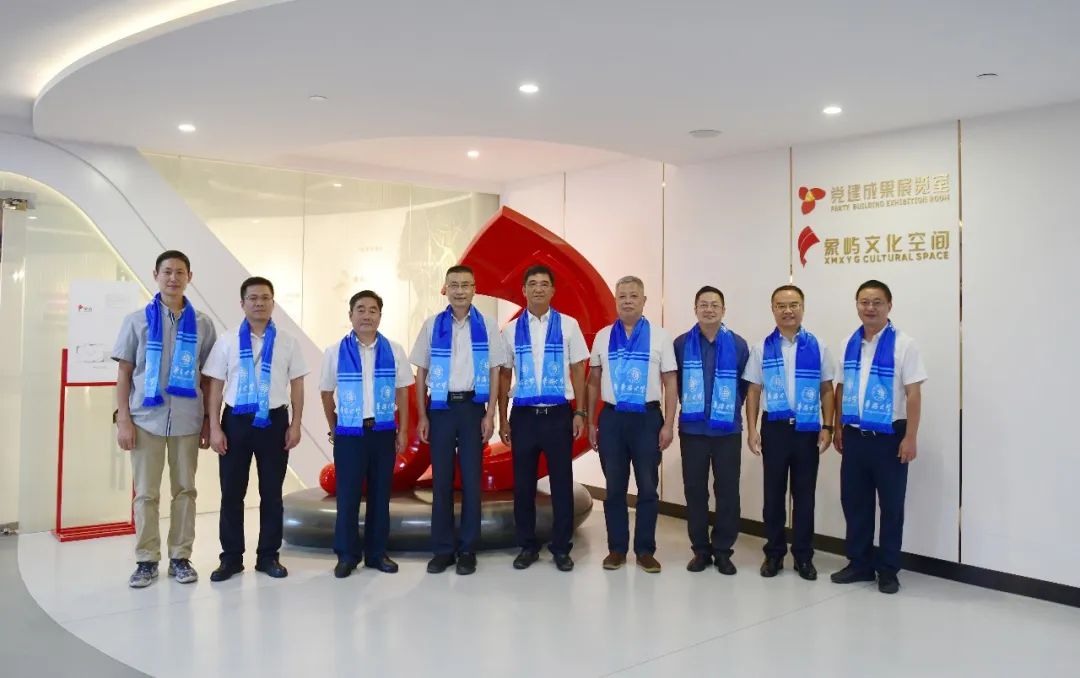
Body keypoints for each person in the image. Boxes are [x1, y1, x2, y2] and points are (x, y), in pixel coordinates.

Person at [112, 250, 217, 588]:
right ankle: (146, 559)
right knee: (146, 493)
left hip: (187, 419)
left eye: (180, 272)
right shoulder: (136, 321)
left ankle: (180, 557)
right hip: (145, 419)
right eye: (167, 271)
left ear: (189, 277)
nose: (173, 278)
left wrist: (208, 421)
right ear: (156, 275)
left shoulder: (203, 324)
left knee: (185, 490)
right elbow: (124, 373)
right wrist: (123, 420)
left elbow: (208, 378)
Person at [203, 276, 309, 581]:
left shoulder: (288, 341)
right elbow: (215, 385)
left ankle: (268, 556)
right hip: (235, 422)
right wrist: (214, 427)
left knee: (272, 493)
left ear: (273, 303)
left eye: (265, 298)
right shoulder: (227, 340)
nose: (259, 303)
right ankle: (231, 558)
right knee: (231, 493)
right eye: (253, 298)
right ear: (242, 303)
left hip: (274, 422)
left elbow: (297, 385)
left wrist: (296, 424)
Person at [831, 280, 927, 594]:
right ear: (857, 305)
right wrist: (838, 427)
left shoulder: (905, 344)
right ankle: (859, 564)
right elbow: (841, 388)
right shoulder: (848, 343)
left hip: (890, 437)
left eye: (877, 302)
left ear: (889, 306)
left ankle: (888, 570)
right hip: (855, 435)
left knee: (891, 505)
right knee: (854, 502)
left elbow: (914, 394)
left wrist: (910, 437)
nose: (870, 308)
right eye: (864, 302)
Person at [411, 266, 507, 575]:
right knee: (441, 481)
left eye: (466, 285)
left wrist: (490, 413)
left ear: (474, 288)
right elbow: (421, 372)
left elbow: (495, 370)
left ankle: (467, 549)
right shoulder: (431, 325)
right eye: (454, 285)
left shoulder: (487, 325)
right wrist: (422, 415)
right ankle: (442, 550)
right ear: (446, 289)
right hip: (440, 409)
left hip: (472, 408)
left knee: (471, 480)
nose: (460, 290)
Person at [497, 264, 589, 572]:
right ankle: (527, 545)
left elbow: (578, 370)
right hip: (523, 416)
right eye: (532, 284)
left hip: (558, 415)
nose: (538, 288)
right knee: (523, 484)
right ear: (523, 290)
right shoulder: (510, 330)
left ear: (553, 290)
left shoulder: (569, 326)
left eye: (544, 284)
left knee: (561, 483)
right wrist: (503, 419)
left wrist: (580, 411)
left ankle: (561, 548)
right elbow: (504, 375)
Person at [586, 276, 677, 573]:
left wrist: (668, 424)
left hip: (647, 419)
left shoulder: (660, 337)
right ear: (616, 301)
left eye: (633, 295)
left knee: (648, 487)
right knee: (614, 487)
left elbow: (670, 383)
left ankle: (645, 550)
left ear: (644, 300)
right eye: (622, 296)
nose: (627, 301)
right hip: (612, 419)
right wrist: (590, 421)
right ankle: (616, 549)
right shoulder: (602, 337)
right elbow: (593, 381)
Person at [744, 285, 835, 581]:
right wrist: (752, 429)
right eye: (781, 305)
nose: (788, 310)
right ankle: (774, 554)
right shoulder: (762, 347)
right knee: (773, 496)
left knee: (804, 496)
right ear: (773, 309)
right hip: (775, 428)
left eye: (793, 304)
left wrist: (828, 426)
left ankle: (804, 556)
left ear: (803, 308)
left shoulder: (819, 346)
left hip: (808, 429)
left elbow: (826, 389)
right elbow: (754, 390)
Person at [320, 290, 413, 578]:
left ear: (380, 316)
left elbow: (403, 391)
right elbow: (326, 393)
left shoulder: (394, 349)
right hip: (349, 434)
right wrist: (334, 427)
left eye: (373, 310)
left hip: (383, 431)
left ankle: (376, 553)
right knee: (347, 497)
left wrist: (403, 430)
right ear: (350, 315)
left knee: (380, 495)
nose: (367, 315)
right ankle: (346, 555)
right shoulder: (334, 351)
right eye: (360, 309)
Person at [673, 285, 750, 575]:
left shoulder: (739, 345)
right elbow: (675, 383)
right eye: (703, 304)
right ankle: (700, 550)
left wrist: (725, 408)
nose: (709, 309)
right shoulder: (681, 344)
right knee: (695, 490)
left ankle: (723, 550)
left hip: (727, 430)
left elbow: (745, 386)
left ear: (723, 310)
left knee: (728, 491)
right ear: (695, 309)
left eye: (714, 305)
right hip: (693, 430)